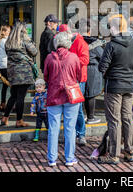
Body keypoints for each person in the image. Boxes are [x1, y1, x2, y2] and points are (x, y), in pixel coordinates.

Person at [98, 14, 133, 165]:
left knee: (114, 120)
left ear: (115, 28)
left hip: (114, 86)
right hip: (129, 85)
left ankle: (114, 155)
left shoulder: (111, 45)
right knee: (127, 118)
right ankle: (130, 152)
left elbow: (102, 67)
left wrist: (109, 73)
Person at [44, 31, 82, 167]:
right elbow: (79, 75)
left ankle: (52, 159)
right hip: (70, 95)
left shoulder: (49, 57)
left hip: (54, 94)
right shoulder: (74, 57)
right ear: (68, 43)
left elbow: (46, 77)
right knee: (70, 128)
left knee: (53, 128)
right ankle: (69, 158)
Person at [1, 21, 38, 128]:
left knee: (13, 95)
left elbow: (7, 53)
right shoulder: (24, 39)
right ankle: (19, 120)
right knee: (20, 97)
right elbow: (34, 52)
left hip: (12, 71)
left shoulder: (9, 40)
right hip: (24, 72)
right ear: (23, 29)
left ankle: (5, 117)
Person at [58, 23, 89, 146]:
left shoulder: (81, 42)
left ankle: (81, 134)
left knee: (78, 108)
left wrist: (71, 60)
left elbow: (85, 60)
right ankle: (70, 134)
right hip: (67, 78)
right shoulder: (64, 43)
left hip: (78, 79)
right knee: (68, 107)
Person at [82, 21, 105, 124]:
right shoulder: (94, 43)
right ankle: (91, 117)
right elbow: (103, 57)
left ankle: (82, 116)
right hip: (92, 70)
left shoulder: (76, 41)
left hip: (80, 68)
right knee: (90, 94)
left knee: (82, 94)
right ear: (89, 31)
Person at [0, 25, 11, 112]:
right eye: (8, 31)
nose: (9, 32)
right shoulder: (5, 41)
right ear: (4, 32)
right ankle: (11, 104)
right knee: (11, 85)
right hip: (6, 65)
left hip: (1, 65)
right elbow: (8, 52)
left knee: (5, 85)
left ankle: (2, 103)